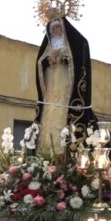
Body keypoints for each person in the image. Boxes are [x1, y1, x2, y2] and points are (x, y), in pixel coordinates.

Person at [34, 16, 98, 151]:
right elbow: (40, 63)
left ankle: (63, 149)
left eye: (58, 27)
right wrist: (49, 60)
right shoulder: (49, 46)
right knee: (49, 115)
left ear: (63, 27)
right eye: (53, 28)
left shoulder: (69, 44)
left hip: (66, 85)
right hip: (51, 86)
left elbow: (78, 54)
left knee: (62, 113)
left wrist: (63, 58)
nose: (56, 30)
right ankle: (46, 149)